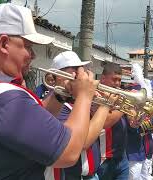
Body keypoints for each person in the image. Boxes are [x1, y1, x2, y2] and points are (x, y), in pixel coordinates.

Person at [0, 4, 97, 179]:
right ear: (3, 44)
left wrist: (59, 96)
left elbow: (28, 121)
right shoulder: (4, 98)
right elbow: (69, 153)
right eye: (28, 46)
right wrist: (85, 97)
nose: (32, 55)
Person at [48, 51, 116, 180]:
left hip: (91, 174)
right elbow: (83, 142)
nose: (82, 73)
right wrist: (105, 105)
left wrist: (96, 104)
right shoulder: (58, 105)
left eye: (82, 69)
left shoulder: (77, 102)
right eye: (75, 69)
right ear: (57, 76)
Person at [97, 63, 130, 180]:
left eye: (119, 80)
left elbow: (132, 123)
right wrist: (123, 107)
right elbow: (105, 122)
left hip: (122, 156)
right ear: (103, 78)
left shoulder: (119, 96)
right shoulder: (96, 96)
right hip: (104, 158)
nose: (117, 83)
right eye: (114, 79)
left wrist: (137, 117)